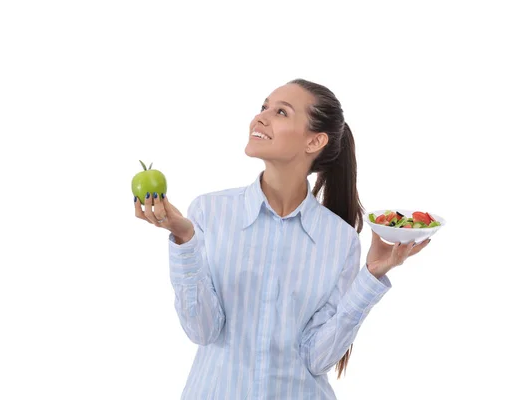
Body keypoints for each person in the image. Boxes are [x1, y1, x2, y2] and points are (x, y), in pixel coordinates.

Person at [134, 78, 432, 399]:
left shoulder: (340, 239)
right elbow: (202, 330)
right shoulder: (209, 212)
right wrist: (184, 240)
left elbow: (317, 358)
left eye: (281, 112)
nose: (260, 117)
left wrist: (371, 276)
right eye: (263, 107)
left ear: (314, 142)